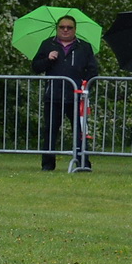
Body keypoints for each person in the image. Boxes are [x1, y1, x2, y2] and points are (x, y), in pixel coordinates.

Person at [30, 14, 98, 171]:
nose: (65, 30)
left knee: (80, 132)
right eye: (62, 27)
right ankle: (47, 164)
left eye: (69, 27)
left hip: (76, 96)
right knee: (50, 131)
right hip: (53, 96)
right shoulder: (47, 44)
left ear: (75, 29)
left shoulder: (84, 47)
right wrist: (48, 59)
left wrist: (85, 86)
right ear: (57, 28)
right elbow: (36, 67)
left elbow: (93, 70)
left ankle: (83, 163)